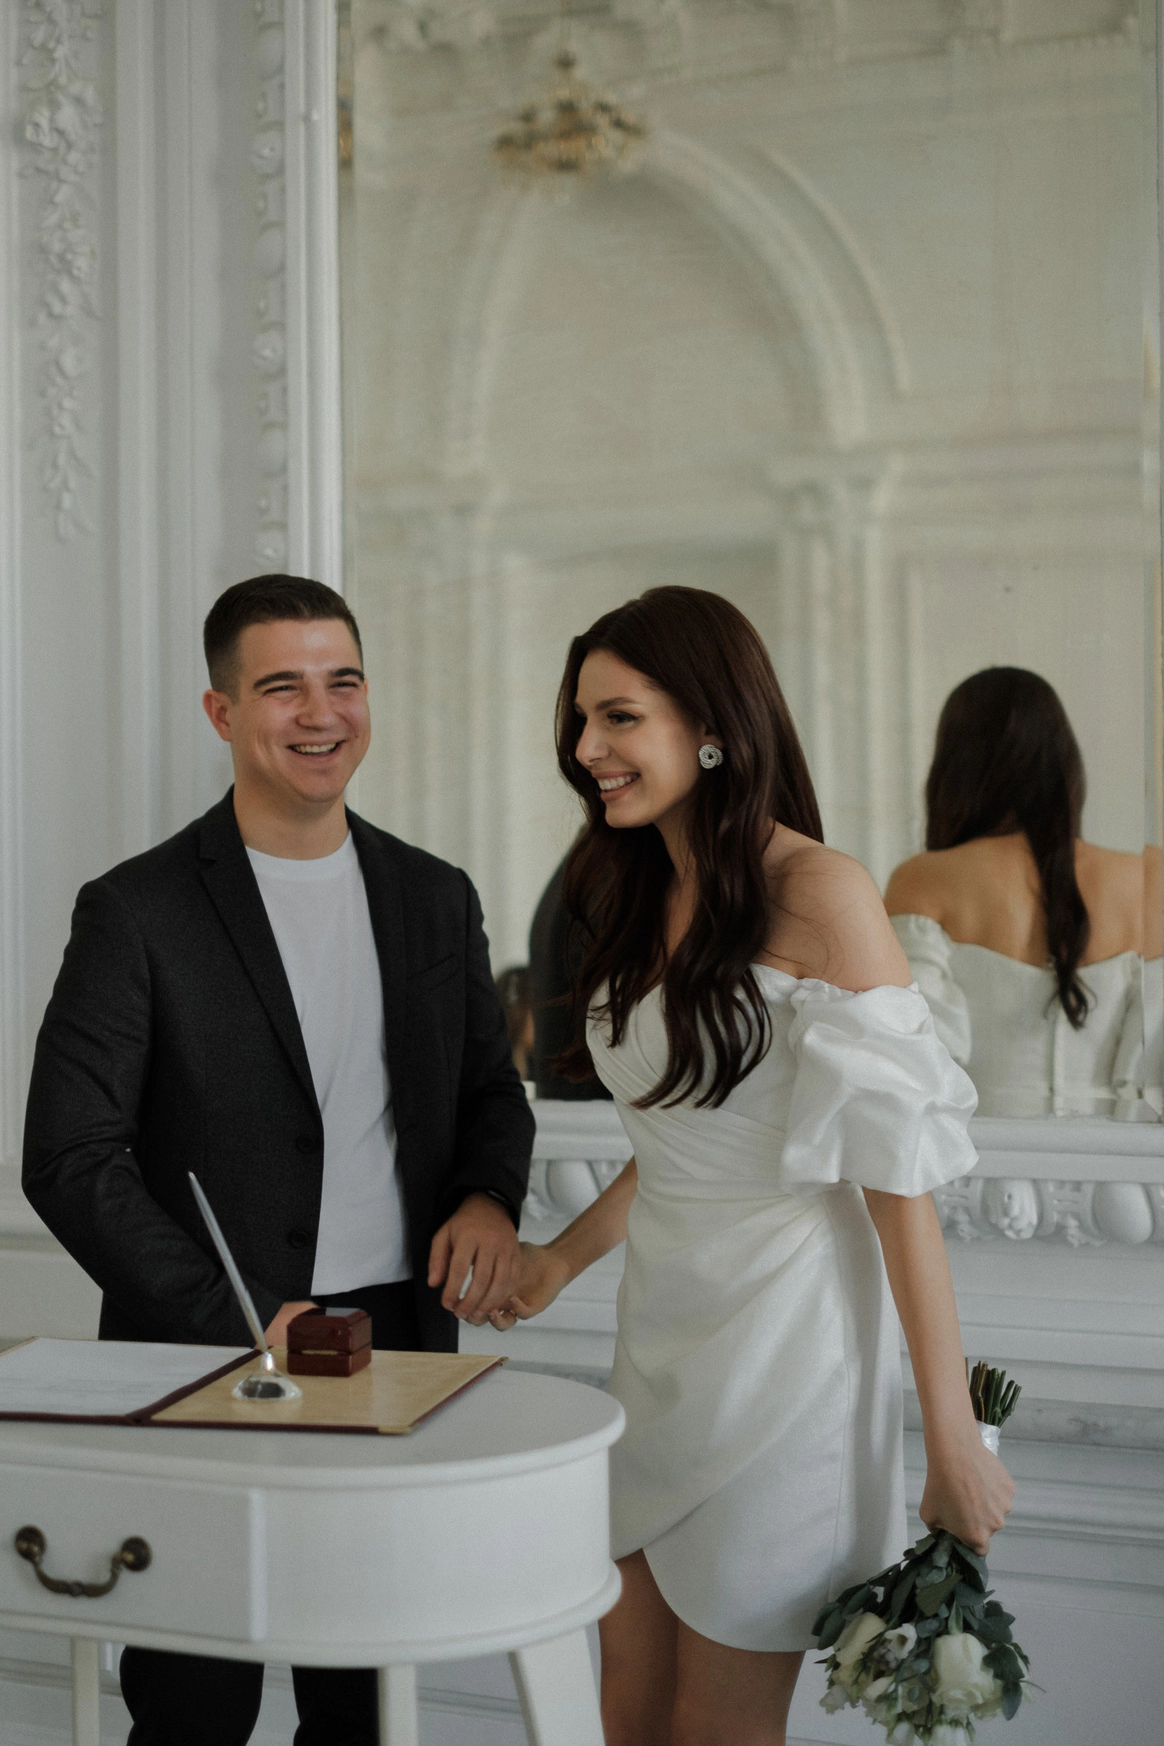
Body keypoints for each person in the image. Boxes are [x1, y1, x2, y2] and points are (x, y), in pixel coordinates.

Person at [482, 586, 1014, 1746]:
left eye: (619, 718)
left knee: (718, 1726)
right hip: (657, 1342)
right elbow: (687, 1131)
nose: (586, 749)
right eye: (581, 720)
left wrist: (949, 1439)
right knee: (625, 1713)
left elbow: (897, 1185)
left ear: (713, 724)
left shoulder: (823, 892)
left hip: (789, 1353)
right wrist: (560, 1261)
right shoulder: (627, 885)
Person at [22, 574, 533, 1746]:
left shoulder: (435, 896)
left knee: (362, 1699)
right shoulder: (135, 910)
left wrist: (489, 1198)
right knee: (194, 1705)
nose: (321, 713)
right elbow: (68, 1156)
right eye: (282, 686)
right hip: (206, 1354)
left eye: (343, 681)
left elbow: (487, 1095)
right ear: (221, 712)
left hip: (395, 1344)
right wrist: (235, 1310)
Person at [884, 667, 1154, 1118]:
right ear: (1065, 761)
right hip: (1117, 1160)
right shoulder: (1142, 880)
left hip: (970, 1157)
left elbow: (912, 1063)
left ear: (954, 768)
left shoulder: (924, 880)